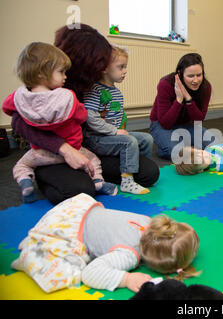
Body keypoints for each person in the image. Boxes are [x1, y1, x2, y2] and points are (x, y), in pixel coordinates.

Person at [9, 24, 159, 204]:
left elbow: (89, 115)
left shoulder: (90, 83)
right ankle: (43, 175)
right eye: (99, 63)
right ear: (84, 61)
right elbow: (18, 122)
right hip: (52, 152)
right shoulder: (50, 79)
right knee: (80, 191)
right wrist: (64, 150)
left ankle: (93, 176)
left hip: (88, 146)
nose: (102, 68)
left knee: (149, 173)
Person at [11, 193, 200, 293]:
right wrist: (126, 279)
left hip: (71, 211)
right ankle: (34, 246)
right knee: (65, 274)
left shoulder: (150, 222)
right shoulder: (128, 254)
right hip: (62, 232)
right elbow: (90, 273)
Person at [2, 42, 117, 203]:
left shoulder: (18, 96)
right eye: (62, 72)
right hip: (72, 148)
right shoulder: (66, 96)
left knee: (22, 165)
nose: (65, 76)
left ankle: (25, 181)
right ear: (42, 73)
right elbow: (81, 116)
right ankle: (98, 181)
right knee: (92, 162)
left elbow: (7, 108)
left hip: (39, 152)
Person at [83, 45, 154, 195]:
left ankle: (136, 171)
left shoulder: (116, 92)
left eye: (125, 67)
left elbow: (117, 116)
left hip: (112, 136)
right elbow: (90, 118)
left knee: (146, 138)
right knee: (129, 142)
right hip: (97, 139)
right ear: (104, 69)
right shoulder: (96, 90)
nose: (125, 71)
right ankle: (127, 182)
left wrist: (119, 129)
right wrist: (115, 131)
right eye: (120, 67)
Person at [149, 53, 214, 160]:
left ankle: (185, 145)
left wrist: (188, 99)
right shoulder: (165, 84)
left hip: (186, 125)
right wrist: (179, 99)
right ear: (180, 73)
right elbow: (165, 123)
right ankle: (174, 146)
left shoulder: (206, 87)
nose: (196, 80)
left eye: (199, 75)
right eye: (190, 76)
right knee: (174, 151)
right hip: (161, 125)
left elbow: (199, 119)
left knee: (213, 143)